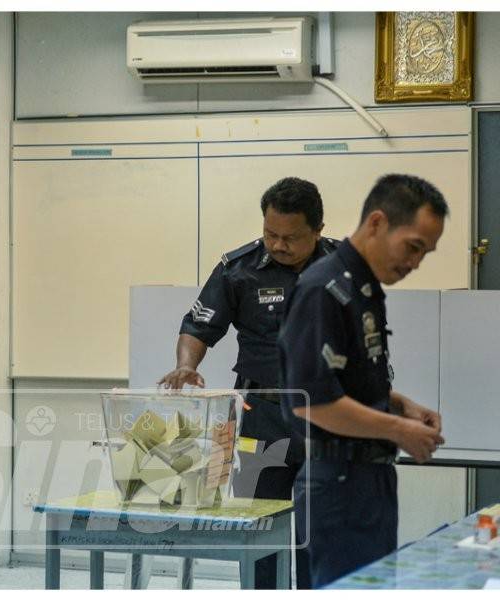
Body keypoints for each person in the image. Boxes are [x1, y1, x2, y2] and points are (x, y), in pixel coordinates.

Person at [159, 177, 337, 589]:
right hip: (263, 415)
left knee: (323, 534)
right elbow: (198, 326)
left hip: (332, 419)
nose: (278, 245)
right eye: (270, 233)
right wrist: (186, 365)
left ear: (318, 230)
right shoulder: (239, 270)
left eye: (291, 237)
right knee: (260, 530)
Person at [277, 174, 448, 588]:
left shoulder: (363, 288)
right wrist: (399, 429)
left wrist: (398, 404)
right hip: (337, 481)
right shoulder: (324, 288)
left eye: (425, 253)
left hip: (368, 479)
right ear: (377, 223)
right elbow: (312, 401)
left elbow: (347, 379)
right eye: (413, 247)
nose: (415, 263)